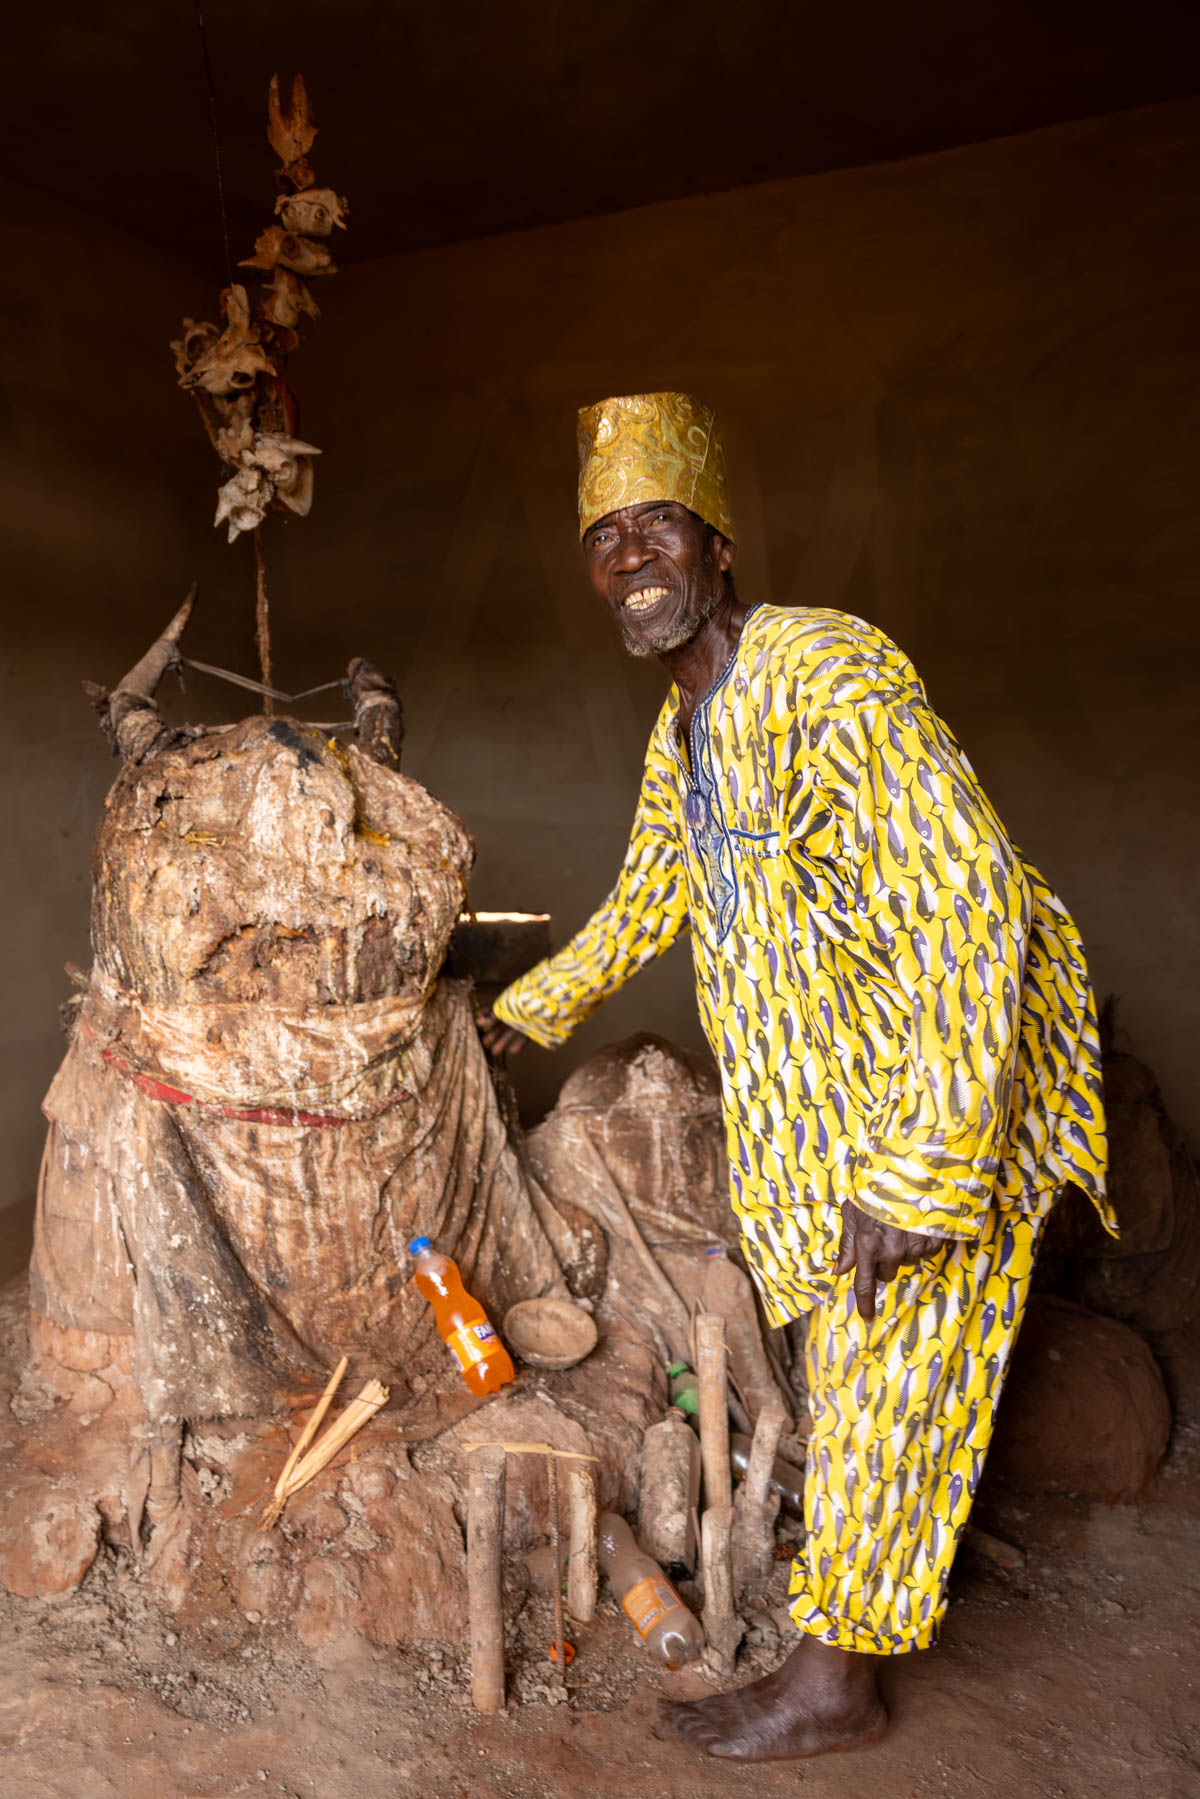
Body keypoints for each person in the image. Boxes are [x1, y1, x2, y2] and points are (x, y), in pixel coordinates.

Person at [480, 392, 1114, 1762]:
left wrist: (919, 1162)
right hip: (828, 1126)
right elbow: (648, 900)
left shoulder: (824, 674)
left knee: (889, 1390)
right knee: (863, 1384)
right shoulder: (686, 732)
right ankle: (838, 1641)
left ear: (716, 547)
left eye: (657, 528)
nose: (632, 558)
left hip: (922, 1113)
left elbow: (970, 906)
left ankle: (834, 1686)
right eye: (607, 541)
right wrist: (526, 1013)